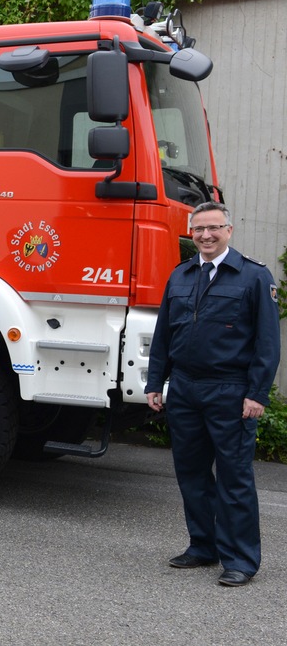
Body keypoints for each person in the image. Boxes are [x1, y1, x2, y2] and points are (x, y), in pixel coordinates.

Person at [145, 201, 279, 587]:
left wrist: (257, 394)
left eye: (214, 228)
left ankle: (240, 559)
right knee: (191, 472)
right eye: (199, 229)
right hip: (185, 388)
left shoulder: (253, 277)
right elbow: (164, 335)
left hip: (231, 391)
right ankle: (203, 546)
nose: (206, 235)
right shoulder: (182, 275)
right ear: (191, 232)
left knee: (235, 478)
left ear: (229, 230)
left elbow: (267, 344)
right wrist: (157, 382)